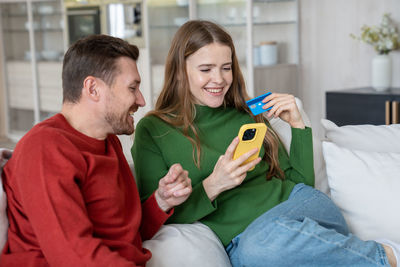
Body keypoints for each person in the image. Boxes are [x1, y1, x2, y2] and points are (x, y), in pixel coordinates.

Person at [131, 20, 399, 267]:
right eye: (206, 69)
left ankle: (386, 257)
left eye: (226, 68)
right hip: (250, 245)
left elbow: (300, 183)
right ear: (180, 70)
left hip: (303, 208)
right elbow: (154, 218)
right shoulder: (153, 131)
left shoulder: (247, 114)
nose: (220, 79)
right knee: (255, 248)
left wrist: (298, 126)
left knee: (260, 245)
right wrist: (214, 185)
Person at [0, 34, 192, 267]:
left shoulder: (109, 142)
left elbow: (125, 236)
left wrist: (162, 201)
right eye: (132, 88)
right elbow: (72, 256)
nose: (141, 101)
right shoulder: (44, 148)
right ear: (92, 88)